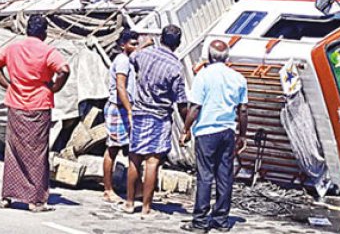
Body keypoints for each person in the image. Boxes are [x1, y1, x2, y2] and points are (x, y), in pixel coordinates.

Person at [0, 14, 71, 213]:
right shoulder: (47, 50)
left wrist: (7, 84)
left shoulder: (13, 48)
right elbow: (65, 70)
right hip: (38, 105)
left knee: (14, 150)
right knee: (37, 152)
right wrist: (54, 88)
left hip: (16, 104)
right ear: (44, 32)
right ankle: (35, 201)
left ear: (27, 30)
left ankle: (8, 196)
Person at [116, 25, 188, 220]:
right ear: (178, 43)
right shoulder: (176, 67)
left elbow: (132, 57)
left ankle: (130, 203)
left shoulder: (144, 55)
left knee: (134, 159)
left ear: (161, 38)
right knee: (152, 163)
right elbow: (181, 101)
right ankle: (146, 207)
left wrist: (145, 44)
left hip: (139, 112)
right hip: (159, 116)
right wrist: (187, 126)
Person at [180, 40, 248, 232]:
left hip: (206, 132)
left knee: (205, 176)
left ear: (209, 56)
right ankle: (221, 220)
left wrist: (186, 130)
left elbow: (195, 107)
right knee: (224, 175)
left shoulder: (203, 76)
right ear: (226, 57)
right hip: (227, 131)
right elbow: (243, 110)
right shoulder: (238, 78)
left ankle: (200, 222)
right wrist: (242, 135)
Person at [102, 29, 140, 204]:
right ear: (122, 45)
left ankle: (135, 187)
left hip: (124, 108)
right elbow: (120, 87)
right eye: (132, 43)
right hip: (119, 109)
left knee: (131, 149)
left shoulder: (128, 60)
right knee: (113, 148)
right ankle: (108, 189)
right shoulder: (123, 61)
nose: (136, 46)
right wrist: (130, 111)